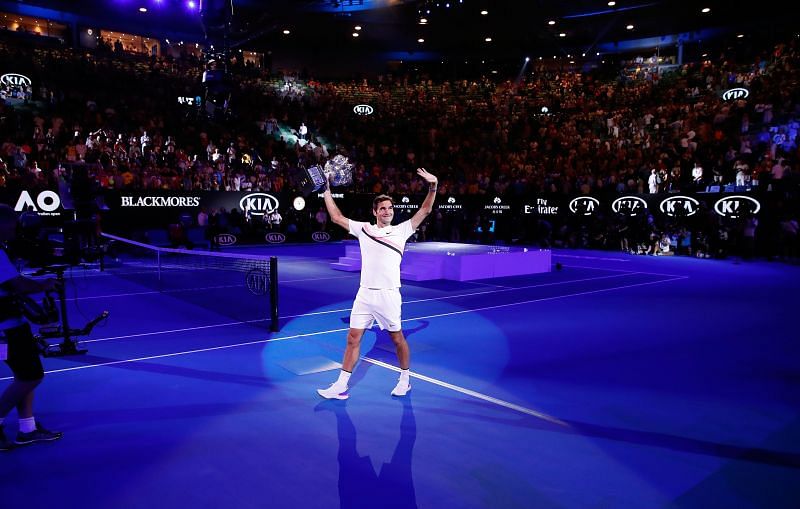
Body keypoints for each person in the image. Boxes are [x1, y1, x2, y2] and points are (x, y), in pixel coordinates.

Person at [317, 168, 438, 399]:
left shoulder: (402, 230)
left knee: (397, 338)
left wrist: (432, 186)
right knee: (353, 338)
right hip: (364, 295)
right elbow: (336, 218)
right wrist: (326, 192)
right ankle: (340, 386)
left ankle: (405, 379)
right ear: (375, 212)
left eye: (390, 208)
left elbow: (425, 209)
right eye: (383, 208)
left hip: (388, 295)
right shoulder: (364, 229)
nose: (387, 211)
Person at [0, 205, 63, 451]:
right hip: (6, 329)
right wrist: (45, 285)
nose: (16, 229)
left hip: (11, 323)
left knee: (23, 376)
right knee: (32, 376)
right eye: (11, 224)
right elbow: (16, 285)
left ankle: (27, 429)